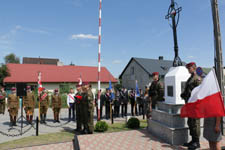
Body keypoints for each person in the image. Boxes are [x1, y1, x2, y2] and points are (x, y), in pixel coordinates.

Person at [181, 62, 202, 149]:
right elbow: (188, 90)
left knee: (195, 123)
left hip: (195, 105)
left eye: (189, 68)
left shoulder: (197, 79)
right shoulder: (190, 78)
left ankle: (197, 142)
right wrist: (184, 94)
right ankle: (193, 140)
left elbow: (199, 92)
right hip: (189, 104)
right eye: (188, 68)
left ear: (194, 68)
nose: (188, 70)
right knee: (190, 122)